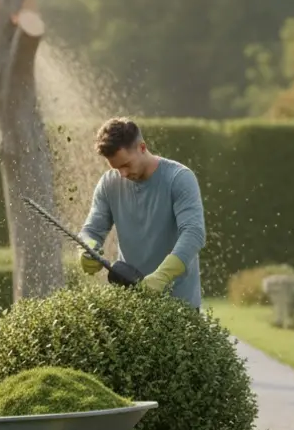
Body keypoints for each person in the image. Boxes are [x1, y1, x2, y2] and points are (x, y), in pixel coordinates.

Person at [76, 117, 206, 309]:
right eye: (116, 168)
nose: (123, 174)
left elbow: (194, 234)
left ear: (142, 147)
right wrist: (86, 248)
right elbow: (92, 231)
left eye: (126, 165)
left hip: (179, 306)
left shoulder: (179, 178)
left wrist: (162, 276)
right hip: (129, 304)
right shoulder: (109, 183)